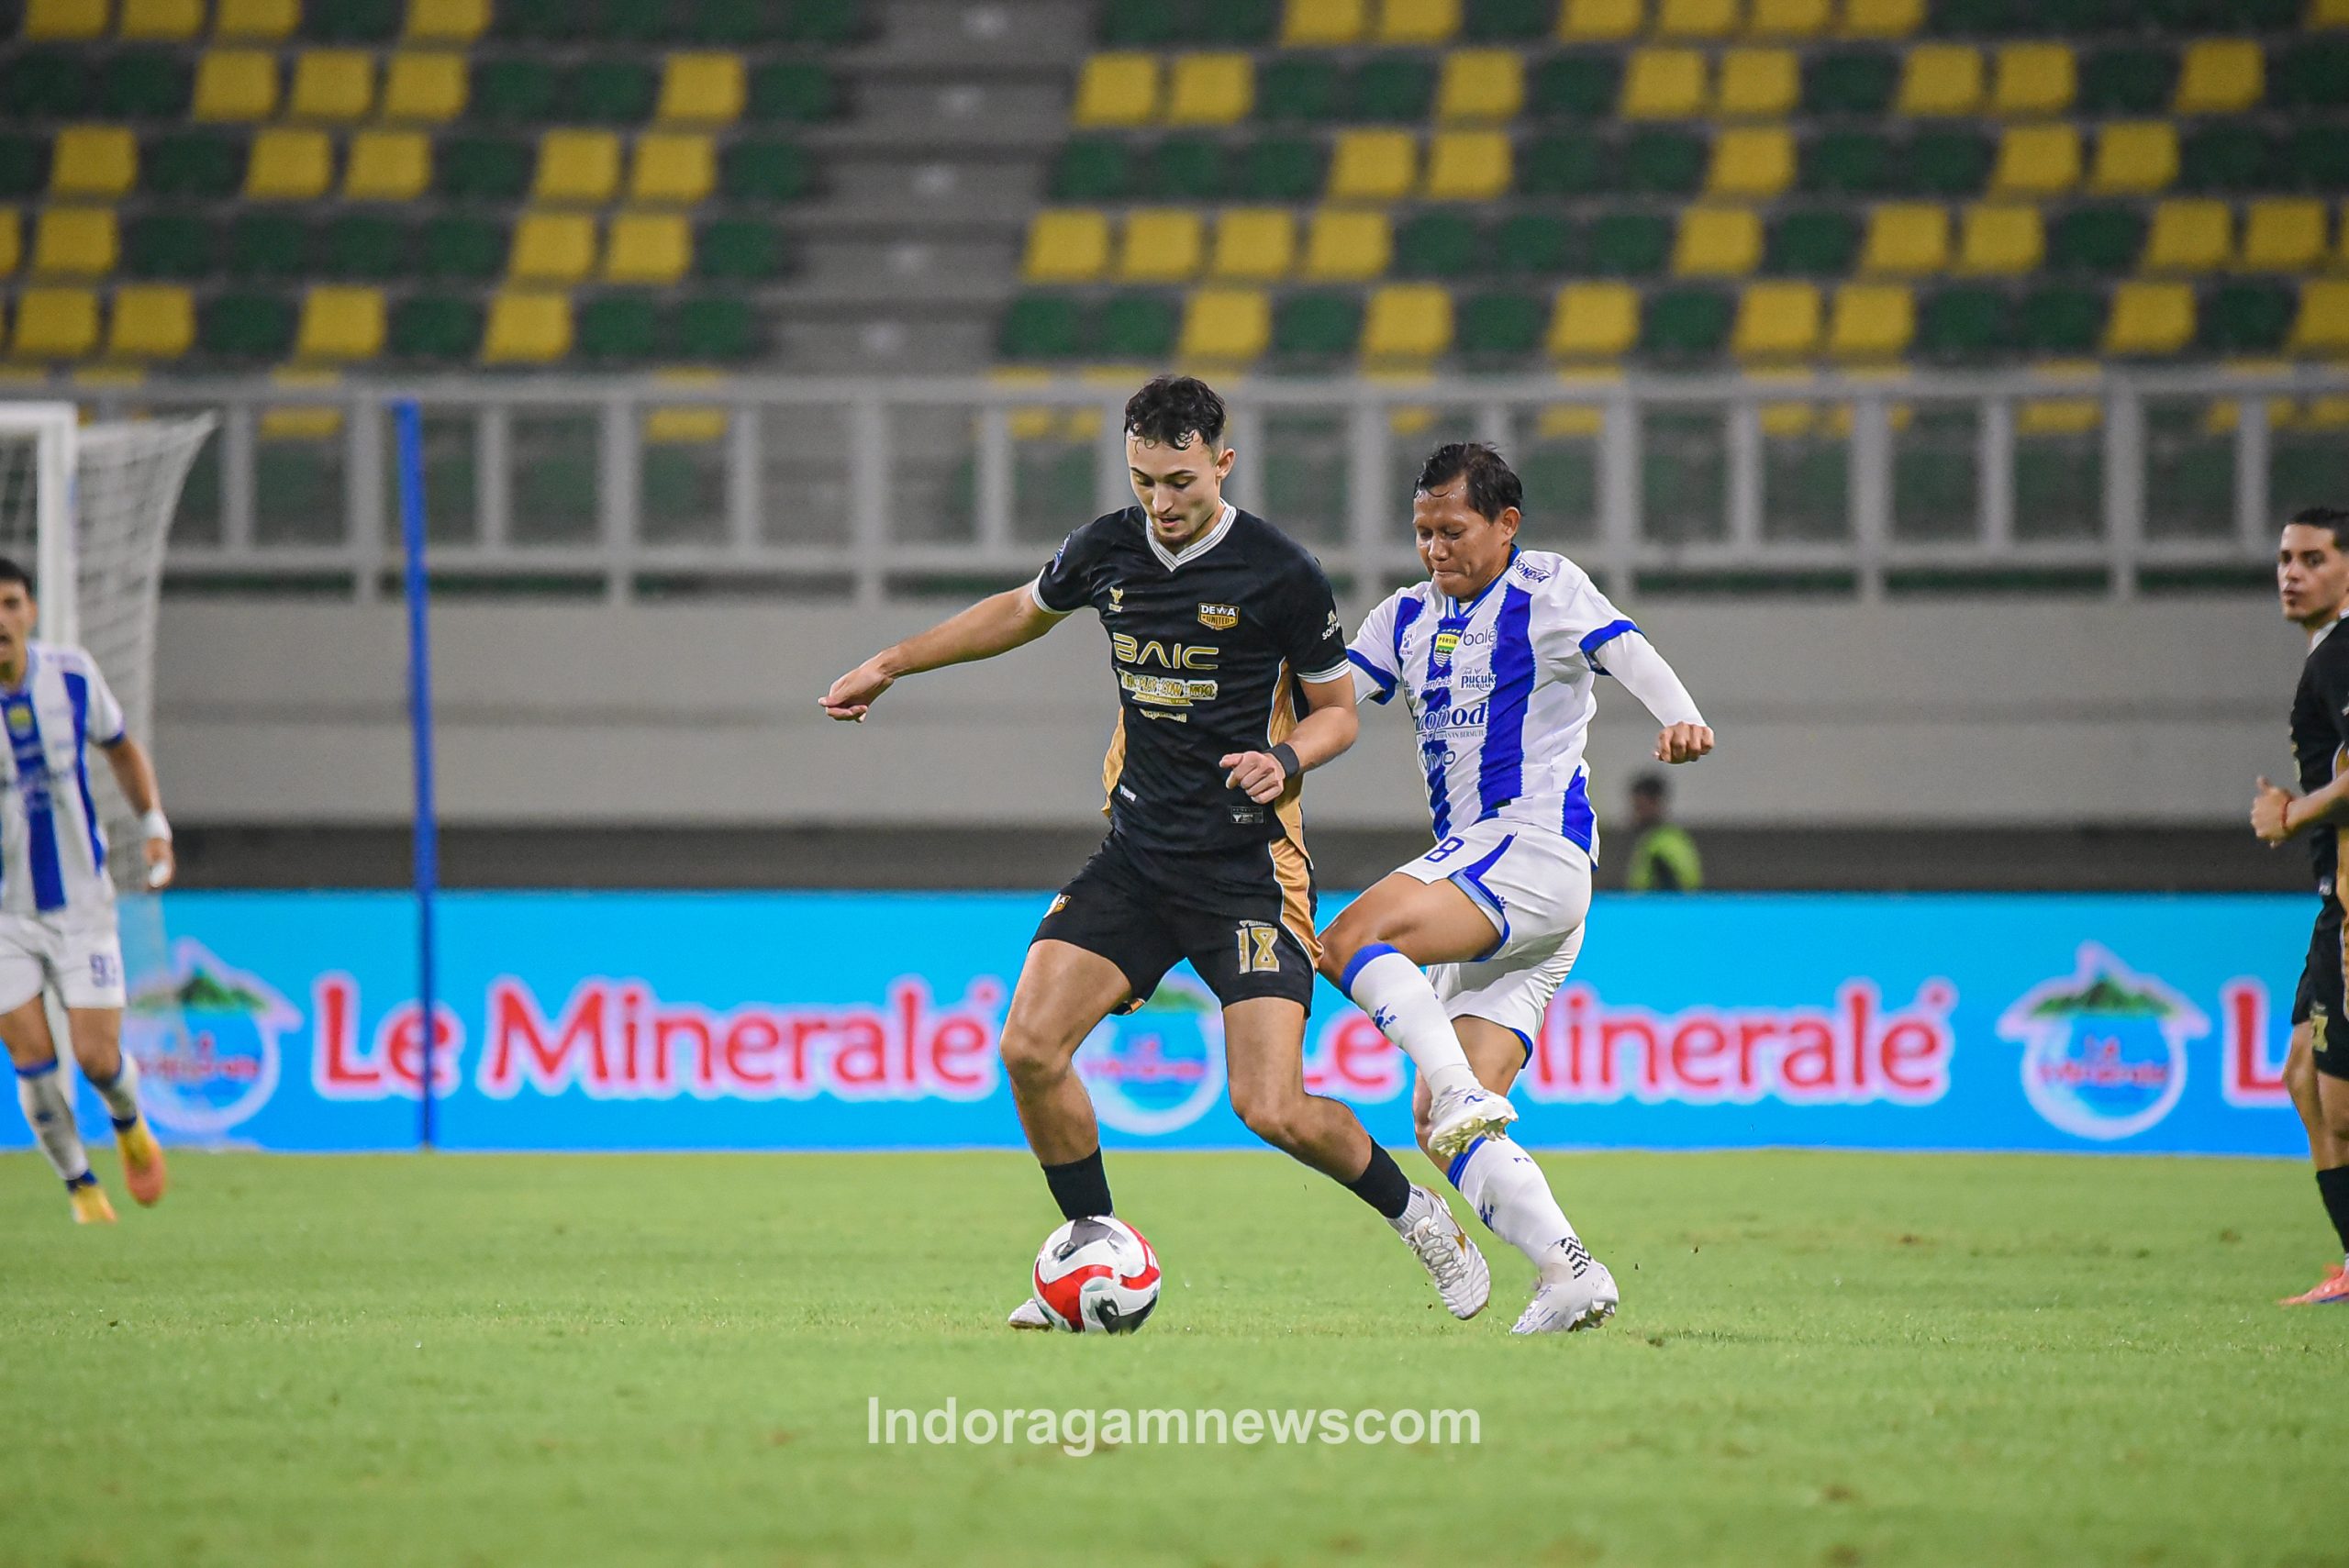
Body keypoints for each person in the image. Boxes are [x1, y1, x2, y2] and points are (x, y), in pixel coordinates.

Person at [821, 376, 1495, 1324]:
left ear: (1222, 462)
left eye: (1178, 480)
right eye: (1143, 481)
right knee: (1029, 1047)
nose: (1161, 504)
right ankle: (1094, 1248)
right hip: (1136, 858)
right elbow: (1019, 609)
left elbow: (1338, 712)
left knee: (1270, 1106)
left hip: (1246, 873)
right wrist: (892, 660)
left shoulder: (1280, 573)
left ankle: (1420, 1215)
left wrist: (1283, 756)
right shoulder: (1107, 546)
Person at [1320, 442, 1713, 1334]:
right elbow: (1330, 702)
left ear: (1505, 525)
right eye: (1422, 532)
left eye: (1452, 530)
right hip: (1502, 887)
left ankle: (1463, 1087)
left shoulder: (1543, 585)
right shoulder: (1403, 617)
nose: (1434, 549)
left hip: (1530, 850)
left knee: (1346, 942)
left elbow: (1623, 646)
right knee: (1435, 1120)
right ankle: (1569, 1270)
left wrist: (1679, 711)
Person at [0, 558, 174, 1224]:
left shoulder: (71, 677)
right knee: (34, 1061)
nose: (1, 619)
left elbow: (121, 747)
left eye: (12, 603)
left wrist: (152, 824)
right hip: (4, 915)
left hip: (81, 905)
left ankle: (129, 1125)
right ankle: (83, 1189)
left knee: (98, 1057)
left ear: (31, 612)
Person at [2252, 505, 2349, 1307]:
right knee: (2302, 1077)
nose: (2291, 572)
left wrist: (2294, 812)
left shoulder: (2344, 657)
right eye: (2285, 558)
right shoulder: (2326, 658)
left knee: (2336, 1096)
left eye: (2313, 558)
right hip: (2333, 900)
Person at [1623, 773, 1702, 892]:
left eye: (1639, 807)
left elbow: (1676, 889)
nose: (1635, 814)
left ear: (1656, 803)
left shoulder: (1664, 845)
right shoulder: (1654, 839)